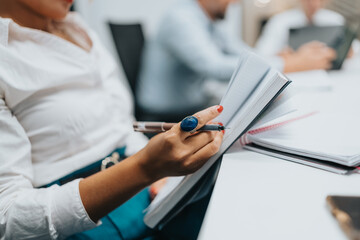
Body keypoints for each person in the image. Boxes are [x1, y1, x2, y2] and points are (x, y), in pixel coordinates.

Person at [0, 0, 225, 239]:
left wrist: (161, 175)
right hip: (77, 218)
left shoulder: (78, 28)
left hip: (142, 190)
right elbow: (7, 216)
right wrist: (145, 167)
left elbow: (121, 124)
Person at [136, 0, 336, 120]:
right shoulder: (181, 18)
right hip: (167, 118)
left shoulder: (207, 21)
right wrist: (292, 64)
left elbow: (244, 54)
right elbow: (215, 67)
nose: (236, 2)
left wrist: (278, 58)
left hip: (194, 108)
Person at [256, 0, 345, 57]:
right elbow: (263, 53)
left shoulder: (335, 19)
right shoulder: (279, 21)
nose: (315, 3)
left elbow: (354, 49)